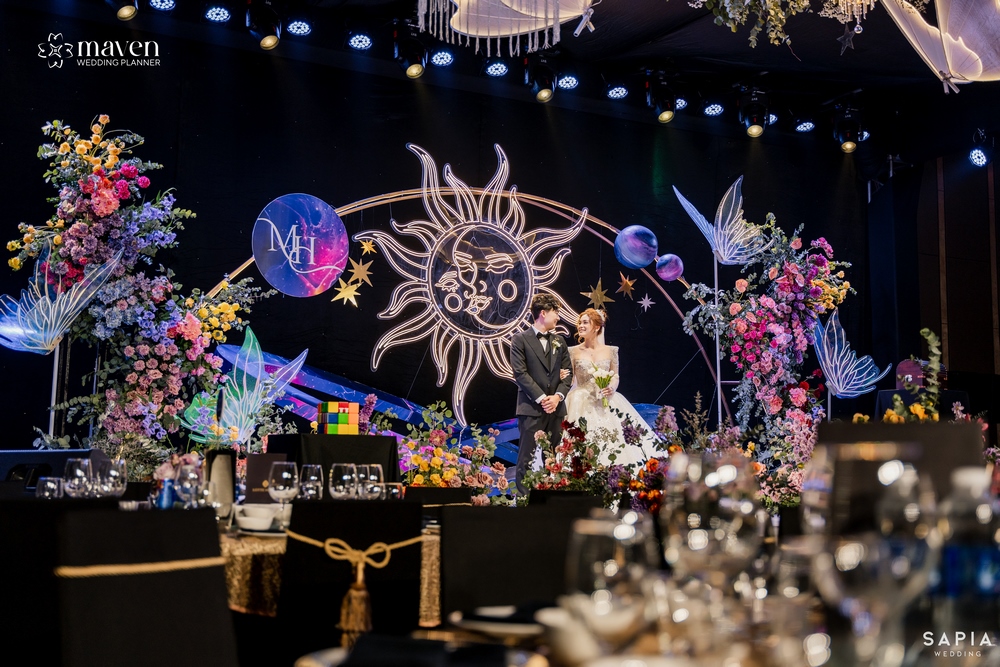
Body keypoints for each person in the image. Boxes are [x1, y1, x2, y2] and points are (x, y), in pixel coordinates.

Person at [564, 308, 655, 467]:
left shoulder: (611, 351)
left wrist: (611, 388)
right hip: (580, 400)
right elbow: (571, 380)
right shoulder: (573, 351)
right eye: (580, 323)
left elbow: (615, 376)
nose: (580, 326)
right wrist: (562, 376)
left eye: (585, 322)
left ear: (596, 327)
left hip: (606, 398)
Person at [510, 293, 573, 494]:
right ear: (543, 313)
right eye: (556, 312)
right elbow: (520, 373)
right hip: (531, 408)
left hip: (556, 409)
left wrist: (557, 397)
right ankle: (523, 500)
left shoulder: (560, 341)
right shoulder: (520, 339)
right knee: (526, 458)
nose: (558, 317)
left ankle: (550, 499)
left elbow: (568, 374)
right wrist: (543, 398)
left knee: (553, 458)